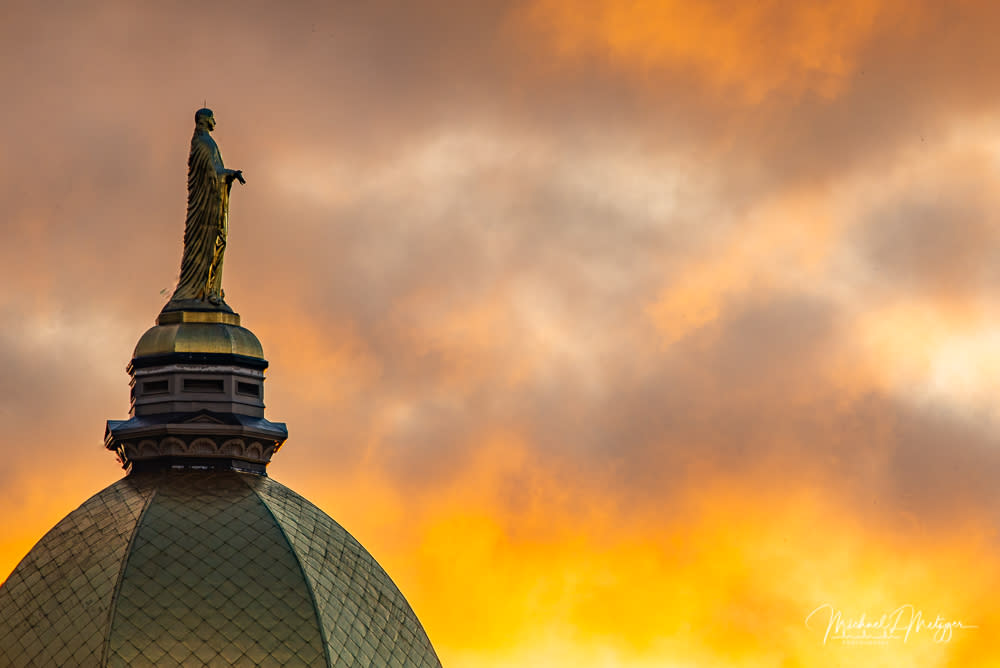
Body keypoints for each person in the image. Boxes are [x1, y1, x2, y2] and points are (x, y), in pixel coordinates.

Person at [169, 108, 245, 306]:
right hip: (206, 208)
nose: (215, 122)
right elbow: (211, 173)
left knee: (218, 242)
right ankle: (202, 289)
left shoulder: (207, 142)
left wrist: (228, 174)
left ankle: (211, 288)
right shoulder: (203, 143)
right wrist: (230, 174)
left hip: (214, 202)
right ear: (204, 120)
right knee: (209, 244)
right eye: (212, 118)